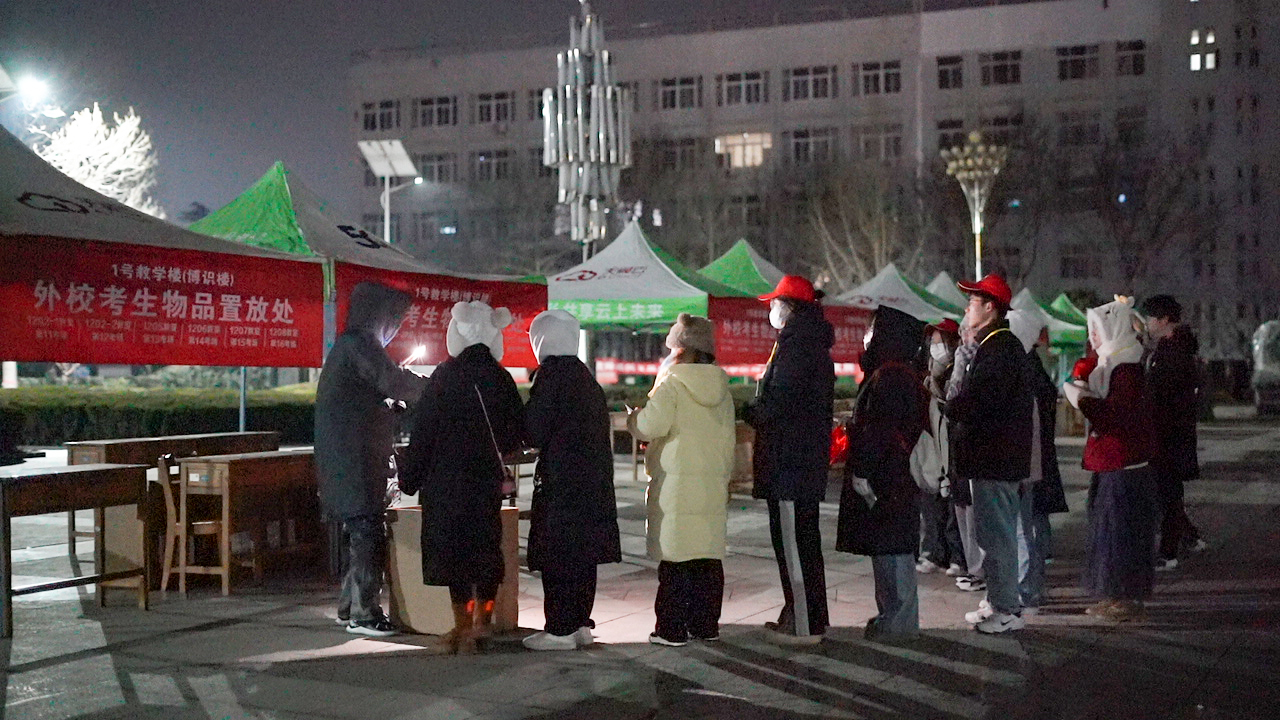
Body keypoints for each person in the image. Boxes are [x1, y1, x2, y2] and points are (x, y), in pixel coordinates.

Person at [401, 301, 525, 654]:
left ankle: (461, 627)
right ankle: (483, 624)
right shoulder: (501, 378)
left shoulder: (444, 376)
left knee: (453, 556)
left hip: (446, 484)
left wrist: (409, 478)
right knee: (485, 551)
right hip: (485, 484)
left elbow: (423, 434)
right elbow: (515, 432)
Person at [315, 282, 428, 638]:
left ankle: (349, 608)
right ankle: (364, 615)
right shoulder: (359, 344)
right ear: (379, 317)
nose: (395, 328)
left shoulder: (349, 346)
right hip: (354, 460)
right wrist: (437, 386)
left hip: (348, 459)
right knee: (367, 532)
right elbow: (393, 381)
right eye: (394, 320)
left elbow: (375, 395)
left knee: (360, 534)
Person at [628, 313, 735, 647]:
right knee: (706, 555)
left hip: (678, 485)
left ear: (682, 349)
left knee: (676, 559)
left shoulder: (673, 383)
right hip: (711, 482)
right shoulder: (723, 389)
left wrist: (634, 418)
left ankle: (671, 629)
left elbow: (650, 426)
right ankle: (705, 625)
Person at [743, 275, 836, 646]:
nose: (771, 309)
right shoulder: (805, 342)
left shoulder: (798, 347)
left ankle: (805, 625)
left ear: (791, 307)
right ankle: (804, 614)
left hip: (790, 464)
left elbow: (781, 403)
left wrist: (752, 411)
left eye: (775, 303)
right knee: (802, 544)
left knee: (795, 546)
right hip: (798, 462)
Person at [522, 310, 622, 651]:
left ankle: (560, 629)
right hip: (593, 481)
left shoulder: (551, 376)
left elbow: (535, 429)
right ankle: (579, 623)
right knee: (583, 556)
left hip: (563, 483)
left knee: (559, 554)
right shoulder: (584, 376)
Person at [945, 274, 1034, 634]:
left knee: (997, 539)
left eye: (973, 302)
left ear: (990, 308)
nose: (967, 308)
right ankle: (997, 601)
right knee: (991, 537)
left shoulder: (1000, 349)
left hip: (995, 461)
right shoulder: (995, 346)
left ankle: (1007, 609)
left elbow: (980, 402)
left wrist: (951, 406)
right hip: (993, 460)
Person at [1063, 296, 1157, 622]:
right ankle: (1114, 594)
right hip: (1111, 463)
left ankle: (1126, 598)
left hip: (1124, 465)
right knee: (1107, 532)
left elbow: (1115, 416)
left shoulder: (1127, 370)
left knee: (1121, 535)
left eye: (1097, 329)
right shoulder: (1112, 364)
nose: (1093, 337)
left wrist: (1082, 400)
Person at [837, 305, 929, 639]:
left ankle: (899, 621)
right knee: (888, 547)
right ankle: (891, 616)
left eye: (873, 328)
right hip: (893, 476)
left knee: (893, 549)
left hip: (890, 478)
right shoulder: (898, 372)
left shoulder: (891, 376)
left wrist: (863, 470)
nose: (867, 335)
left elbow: (879, 429)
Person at [1007, 311, 1069, 614]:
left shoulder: (1026, 370)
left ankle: (1027, 590)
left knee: (1025, 527)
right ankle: (1030, 588)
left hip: (1028, 462)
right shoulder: (1032, 367)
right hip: (1034, 460)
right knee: (1030, 525)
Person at [1139, 295, 1205, 572]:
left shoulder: (1173, 352)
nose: (1147, 324)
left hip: (1168, 434)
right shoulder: (1173, 348)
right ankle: (1189, 537)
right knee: (1167, 492)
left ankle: (1168, 552)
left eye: (1150, 318)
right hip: (1170, 433)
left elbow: (1163, 395)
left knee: (1167, 493)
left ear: (1164, 319)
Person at [916, 319, 965, 577]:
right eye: (932, 340)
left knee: (953, 502)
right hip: (933, 444)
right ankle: (934, 552)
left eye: (939, 340)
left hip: (954, 444)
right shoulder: (928, 374)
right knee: (931, 499)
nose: (935, 345)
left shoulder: (960, 370)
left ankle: (957, 556)